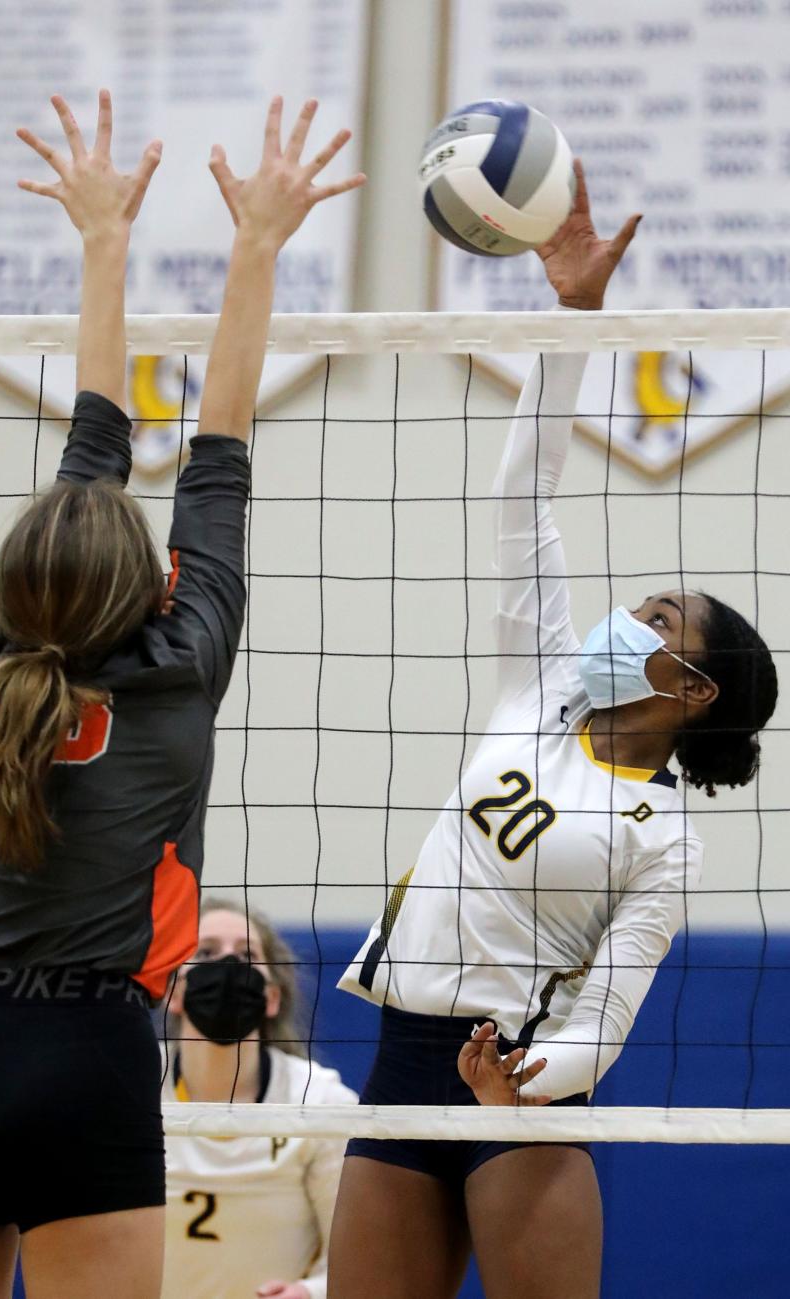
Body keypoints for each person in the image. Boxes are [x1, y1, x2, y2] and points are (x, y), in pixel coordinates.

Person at [0, 92, 364, 1299]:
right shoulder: (182, 663)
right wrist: (255, 248)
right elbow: (221, 451)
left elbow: (91, 452)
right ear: (148, 585)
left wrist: (102, 241)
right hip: (85, 1058)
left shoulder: (4, 657)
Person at [327, 162, 779, 1299]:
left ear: (695, 690)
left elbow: (609, 1018)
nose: (631, 614)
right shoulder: (541, 689)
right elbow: (520, 494)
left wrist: (526, 1084)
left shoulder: (665, 839)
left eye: (661, 617)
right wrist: (575, 318)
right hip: (400, 1063)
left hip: (517, 1090)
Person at [161, 897, 356, 1299]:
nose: (228, 965)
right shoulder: (130, 1089)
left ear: (272, 997)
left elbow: (357, 1256)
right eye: (207, 952)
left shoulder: (317, 1100)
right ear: (173, 992)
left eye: (247, 954)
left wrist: (309, 1292)